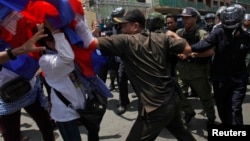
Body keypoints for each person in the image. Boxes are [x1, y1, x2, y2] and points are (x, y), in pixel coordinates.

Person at [75, 8, 196, 141]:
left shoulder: (126, 41)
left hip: (155, 105)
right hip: (172, 98)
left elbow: (89, 43)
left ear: (136, 26)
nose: (121, 29)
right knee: (181, 133)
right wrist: (173, 35)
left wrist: (77, 20)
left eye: (124, 25)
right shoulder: (161, 38)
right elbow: (187, 48)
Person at [190, 4, 249, 125]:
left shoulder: (246, 37)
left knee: (235, 108)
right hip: (220, 79)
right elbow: (205, 44)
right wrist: (187, 48)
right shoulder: (218, 32)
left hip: (239, 79)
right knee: (222, 107)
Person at [0, 24, 55, 141]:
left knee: (46, 126)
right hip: (5, 94)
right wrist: (18, 51)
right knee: (11, 135)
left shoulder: (13, 16)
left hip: (29, 84)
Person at [37, 21, 87, 141]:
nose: (66, 41)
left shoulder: (60, 52)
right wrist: (55, 31)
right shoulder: (46, 60)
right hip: (65, 113)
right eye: (59, 38)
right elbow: (67, 58)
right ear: (48, 42)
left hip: (77, 108)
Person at [175, 7, 216, 125]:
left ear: (195, 18)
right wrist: (178, 53)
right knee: (178, 96)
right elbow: (175, 48)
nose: (184, 20)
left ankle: (211, 119)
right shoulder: (179, 33)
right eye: (183, 18)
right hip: (182, 71)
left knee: (205, 98)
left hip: (198, 72)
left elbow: (210, 52)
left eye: (187, 18)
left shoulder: (202, 33)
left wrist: (190, 55)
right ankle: (188, 112)